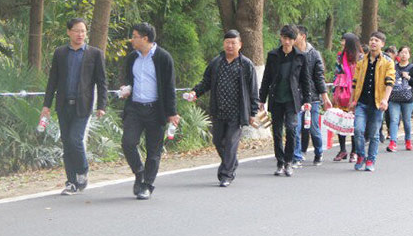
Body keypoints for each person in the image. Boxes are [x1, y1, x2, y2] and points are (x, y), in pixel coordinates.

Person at [41, 18, 107, 195]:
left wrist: (102, 105)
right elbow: (52, 81)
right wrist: (46, 105)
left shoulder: (94, 54)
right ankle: (71, 182)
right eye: (77, 31)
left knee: (75, 140)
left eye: (83, 31)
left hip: (83, 105)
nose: (80, 35)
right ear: (69, 32)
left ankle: (82, 171)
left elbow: (102, 82)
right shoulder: (60, 53)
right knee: (66, 143)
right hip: (63, 104)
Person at [187, 30, 259, 186]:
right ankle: (231, 163)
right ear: (223, 44)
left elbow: (253, 90)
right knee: (218, 141)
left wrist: (253, 112)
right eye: (227, 42)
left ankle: (226, 174)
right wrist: (195, 92)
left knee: (232, 143)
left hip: (237, 112)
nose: (230, 46)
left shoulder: (246, 65)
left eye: (233, 43)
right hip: (218, 110)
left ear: (240, 45)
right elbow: (205, 82)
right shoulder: (216, 62)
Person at [119, 23, 179, 200]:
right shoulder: (132, 58)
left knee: (154, 151)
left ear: (145, 38)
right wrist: (126, 89)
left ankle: (147, 185)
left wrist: (172, 113)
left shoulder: (163, 57)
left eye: (135, 36)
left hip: (155, 109)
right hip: (135, 108)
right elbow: (128, 79)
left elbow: (169, 87)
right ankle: (139, 172)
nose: (132, 39)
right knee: (128, 142)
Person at [258, 25, 312, 177]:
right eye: (284, 38)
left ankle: (289, 161)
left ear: (295, 40)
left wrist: (307, 99)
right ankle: (280, 162)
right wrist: (261, 99)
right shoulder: (273, 55)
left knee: (291, 129)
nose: (286, 42)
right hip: (276, 98)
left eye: (290, 39)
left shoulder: (301, 56)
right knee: (276, 132)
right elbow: (266, 78)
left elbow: (305, 80)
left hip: (292, 100)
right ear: (280, 37)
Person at [348, 31, 394, 172]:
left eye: (377, 40)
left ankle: (371, 160)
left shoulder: (387, 62)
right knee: (358, 130)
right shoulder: (362, 61)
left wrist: (385, 100)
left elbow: (389, 82)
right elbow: (355, 82)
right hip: (362, 102)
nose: (373, 42)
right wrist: (352, 100)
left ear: (382, 44)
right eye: (372, 39)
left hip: (377, 103)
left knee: (374, 134)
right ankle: (361, 155)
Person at [293, 26, 331, 166]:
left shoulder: (314, 54)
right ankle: (296, 156)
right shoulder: (291, 53)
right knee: (295, 127)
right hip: (295, 97)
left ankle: (318, 152)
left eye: (294, 35)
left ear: (302, 36)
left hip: (312, 97)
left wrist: (325, 98)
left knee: (313, 128)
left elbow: (319, 77)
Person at [332, 33, 360, 162]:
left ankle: (354, 151)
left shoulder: (360, 58)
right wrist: (334, 92)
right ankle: (343, 149)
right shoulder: (340, 56)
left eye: (343, 40)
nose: (342, 43)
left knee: (354, 124)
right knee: (341, 122)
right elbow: (337, 73)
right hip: (342, 91)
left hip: (355, 92)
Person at [387, 46, 413, 151]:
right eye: (402, 52)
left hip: (407, 98)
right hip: (394, 98)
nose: (404, 54)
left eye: (406, 52)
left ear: (409, 55)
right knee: (394, 120)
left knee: (406, 121)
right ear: (398, 54)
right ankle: (392, 142)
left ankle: (408, 141)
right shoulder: (393, 67)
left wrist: (408, 77)